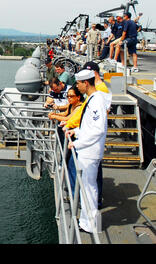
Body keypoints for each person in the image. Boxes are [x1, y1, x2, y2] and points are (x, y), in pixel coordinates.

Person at [66, 69, 108, 233]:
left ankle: (91, 225)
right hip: (87, 150)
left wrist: (78, 143)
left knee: (89, 189)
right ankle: (86, 222)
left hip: (90, 152)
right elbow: (88, 126)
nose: (77, 86)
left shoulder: (97, 101)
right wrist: (76, 132)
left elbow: (97, 130)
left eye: (79, 83)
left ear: (86, 83)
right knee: (87, 188)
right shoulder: (93, 99)